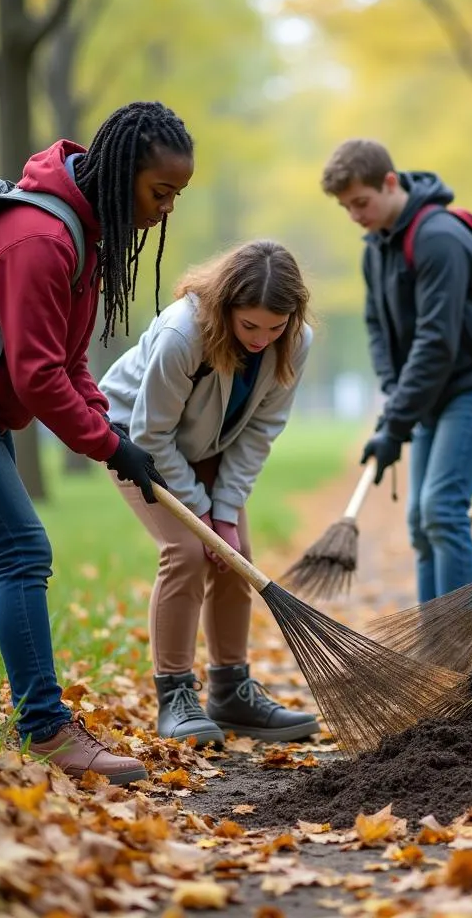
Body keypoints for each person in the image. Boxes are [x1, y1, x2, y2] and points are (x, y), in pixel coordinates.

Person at [0, 101, 194, 784]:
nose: (167, 209)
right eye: (160, 192)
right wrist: (105, 448)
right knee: (22, 551)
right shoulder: (41, 238)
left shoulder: (84, 234)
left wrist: (109, 428)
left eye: (176, 195)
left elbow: (69, 361)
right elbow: (35, 373)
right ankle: (46, 729)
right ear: (119, 173)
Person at [100, 240, 320, 744]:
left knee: (234, 554)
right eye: (250, 327)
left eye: (275, 326)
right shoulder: (184, 334)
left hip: (209, 444)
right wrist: (202, 514)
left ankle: (231, 692)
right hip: (134, 440)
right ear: (225, 310)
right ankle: (175, 694)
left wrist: (224, 513)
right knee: (186, 552)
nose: (262, 338)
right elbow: (152, 433)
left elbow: (260, 431)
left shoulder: (295, 341)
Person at [321, 139, 472, 605]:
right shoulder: (377, 247)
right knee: (419, 518)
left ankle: (455, 654)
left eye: (361, 203)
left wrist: (395, 425)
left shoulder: (439, 238)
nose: (355, 215)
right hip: (434, 390)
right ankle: (434, 647)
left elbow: (437, 341)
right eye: (346, 207)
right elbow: (378, 326)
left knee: (442, 509)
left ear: (390, 183)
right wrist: (393, 395)